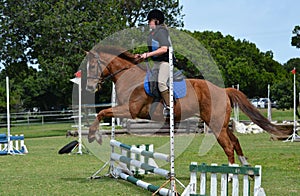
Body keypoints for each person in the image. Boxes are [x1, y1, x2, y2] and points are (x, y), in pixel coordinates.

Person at [136, 9, 172, 117]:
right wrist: (141, 56)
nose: (148, 23)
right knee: (150, 83)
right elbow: (152, 52)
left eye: (150, 20)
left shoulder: (162, 31)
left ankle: (170, 107)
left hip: (166, 62)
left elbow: (164, 49)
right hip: (157, 63)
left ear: (156, 21)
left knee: (161, 83)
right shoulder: (151, 34)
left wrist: (147, 55)